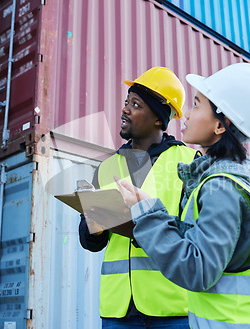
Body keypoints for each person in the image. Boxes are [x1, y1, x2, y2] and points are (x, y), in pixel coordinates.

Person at [116, 63, 250, 328]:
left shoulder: (223, 187)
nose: (185, 115)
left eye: (196, 105)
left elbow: (197, 269)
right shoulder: (239, 178)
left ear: (220, 126)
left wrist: (147, 214)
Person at [78, 67, 199, 328]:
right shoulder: (107, 167)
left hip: (172, 308)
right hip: (118, 310)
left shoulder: (189, 163)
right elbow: (91, 243)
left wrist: (148, 228)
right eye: (126, 102)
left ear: (158, 119)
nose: (125, 110)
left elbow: (199, 234)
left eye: (136, 104)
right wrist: (94, 225)